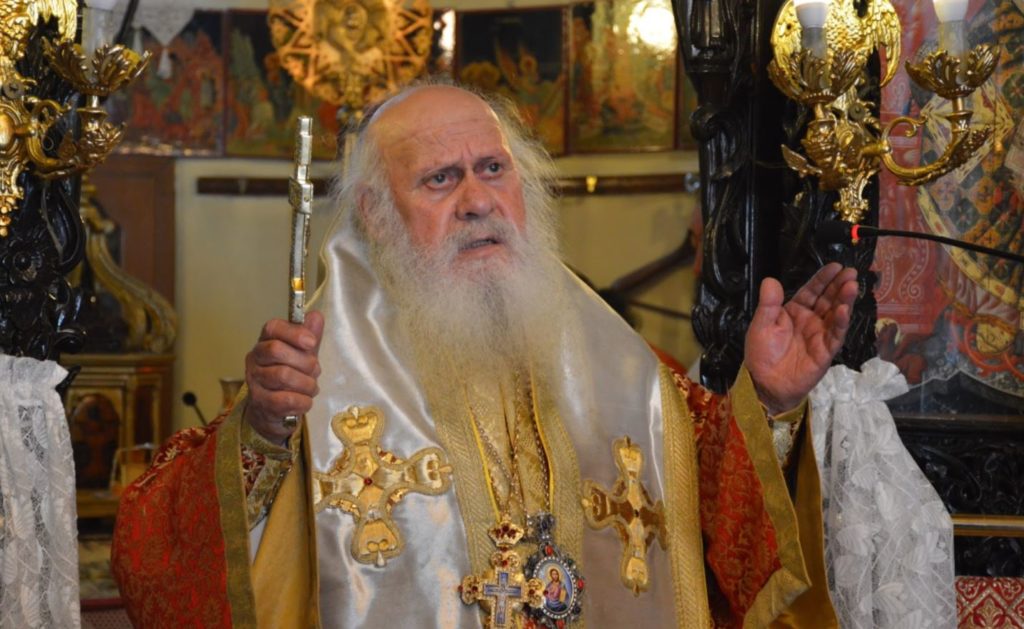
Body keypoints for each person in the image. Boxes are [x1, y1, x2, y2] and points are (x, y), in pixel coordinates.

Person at [112, 83, 858, 628]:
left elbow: (716, 534)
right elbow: (159, 558)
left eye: (493, 169)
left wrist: (770, 401)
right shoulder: (314, 374)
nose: (477, 200)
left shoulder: (627, 370)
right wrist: (262, 433)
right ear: (375, 212)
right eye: (441, 179)